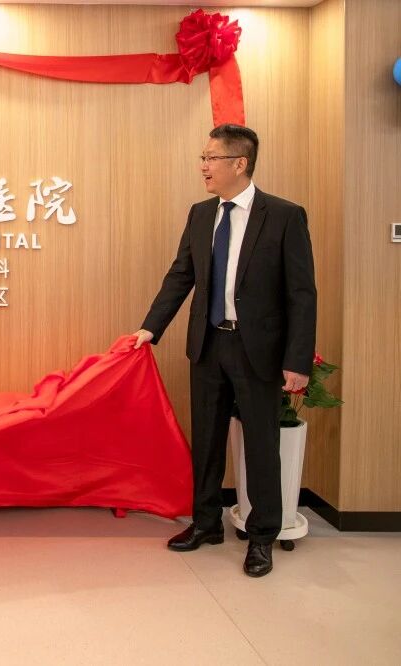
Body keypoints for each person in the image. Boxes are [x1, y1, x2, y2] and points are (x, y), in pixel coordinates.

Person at [133, 124, 316, 578]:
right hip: (209, 342)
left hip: (259, 350)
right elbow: (181, 275)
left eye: (211, 158)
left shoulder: (284, 216)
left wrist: (297, 360)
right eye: (203, 158)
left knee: (262, 444)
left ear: (240, 163)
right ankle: (206, 523)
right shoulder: (201, 214)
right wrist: (150, 328)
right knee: (207, 440)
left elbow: (301, 294)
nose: (203, 167)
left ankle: (262, 536)